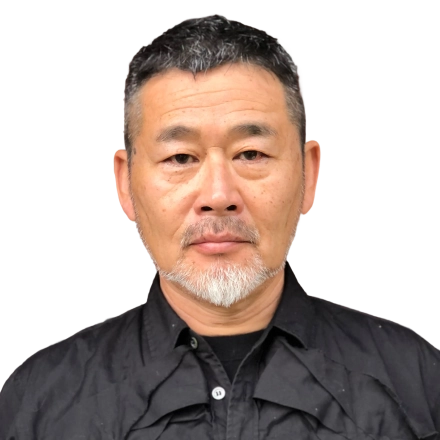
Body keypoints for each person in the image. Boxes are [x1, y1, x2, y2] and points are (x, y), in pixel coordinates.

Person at [1, 14, 439, 440]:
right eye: (180, 158)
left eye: (251, 154)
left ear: (310, 174)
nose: (218, 194)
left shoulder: (415, 381)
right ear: (125, 182)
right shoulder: (44, 401)